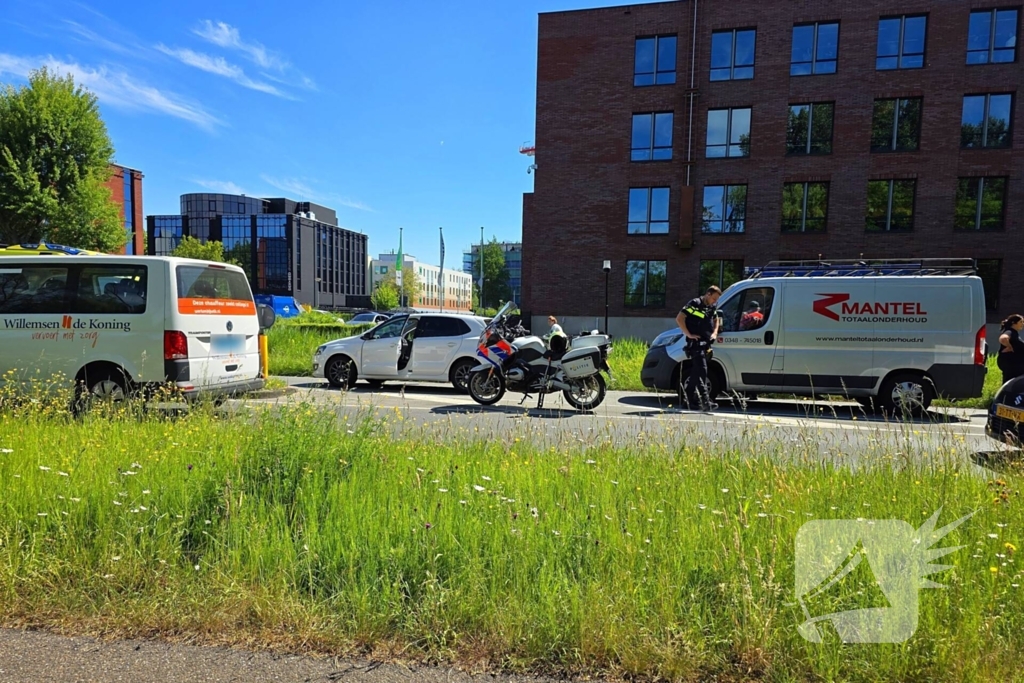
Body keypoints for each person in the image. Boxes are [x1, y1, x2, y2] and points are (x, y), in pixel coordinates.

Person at [677, 285, 722, 411]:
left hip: (706, 344)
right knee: (702, 370)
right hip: (695, 344)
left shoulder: (711, 306)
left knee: (697, 372)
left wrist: (715, 332)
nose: (715, 301)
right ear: (708, 294)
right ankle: (706, 401)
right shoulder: (694, 304)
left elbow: (716, 319)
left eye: (716, 299)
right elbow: (680, 318)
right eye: (714, 298)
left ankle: (688, 400)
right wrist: (689, 334)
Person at [997, 314, 1024, 384]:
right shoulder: (1010, 332)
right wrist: (1009, 346)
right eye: (1021, 322)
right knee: (1010, 382)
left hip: (1015, 365)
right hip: (1012, 364)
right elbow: (1003, 338)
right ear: (1014, 323)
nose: (1023, 324)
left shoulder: (1015, 333)